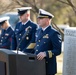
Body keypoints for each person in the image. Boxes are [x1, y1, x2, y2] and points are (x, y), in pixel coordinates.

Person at [34, 9, 62, 75]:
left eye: (41, 18)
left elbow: (58, 50)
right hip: (38, 65)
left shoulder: (54, 33)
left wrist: (46, 53)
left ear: (47, 20)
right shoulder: (38, 31)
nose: (38, 20)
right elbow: (37, 46)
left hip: (48, 67)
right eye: (38, 18)